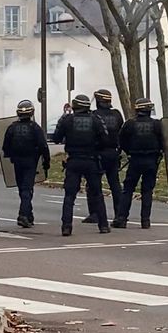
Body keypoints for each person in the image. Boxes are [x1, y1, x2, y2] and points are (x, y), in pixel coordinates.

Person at [53, 94, 110, 236]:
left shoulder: (67, 120)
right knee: (97, 194)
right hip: (91, 160)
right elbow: (105, 140)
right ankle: (103, 225)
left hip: (73, 160)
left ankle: (66, 226)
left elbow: (56, 138)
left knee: (69, 195)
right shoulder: (96, 120)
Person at [112, 98, 163, 229]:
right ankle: (145, 221)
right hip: (152, 160)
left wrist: (129, 152)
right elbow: (163, 141)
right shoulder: (157, 124)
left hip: (135, 159)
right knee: (147, 191)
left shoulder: (130, 124)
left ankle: (121, 218)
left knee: (128, 189)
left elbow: (121, 140)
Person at [3, 100, 50, 227]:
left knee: (22, 188)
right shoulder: (35, 128)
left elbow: (5, 147)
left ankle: (28, 215)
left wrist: (11, 156)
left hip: (17, 162)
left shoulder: (12, 127)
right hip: (30, 162)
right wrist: (46, 162)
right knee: (27, 189)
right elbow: (43, 146)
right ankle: (23, 215)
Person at [82, 89, 124, 224]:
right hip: (113, 153)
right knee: (115, 184)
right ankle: (119, 214)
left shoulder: (94, 116)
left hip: (98, 153)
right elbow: (122, 133)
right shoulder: (117, 115)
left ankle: (94, 213)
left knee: (94, 184)